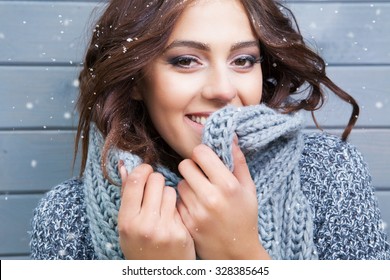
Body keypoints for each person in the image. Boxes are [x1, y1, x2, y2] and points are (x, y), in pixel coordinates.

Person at [30, 0, 389, 260]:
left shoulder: (329, 174)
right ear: (136, 80)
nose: (222, 88)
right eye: (186, 60)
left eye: (243, 60)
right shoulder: (68, 215)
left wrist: (239, 254)